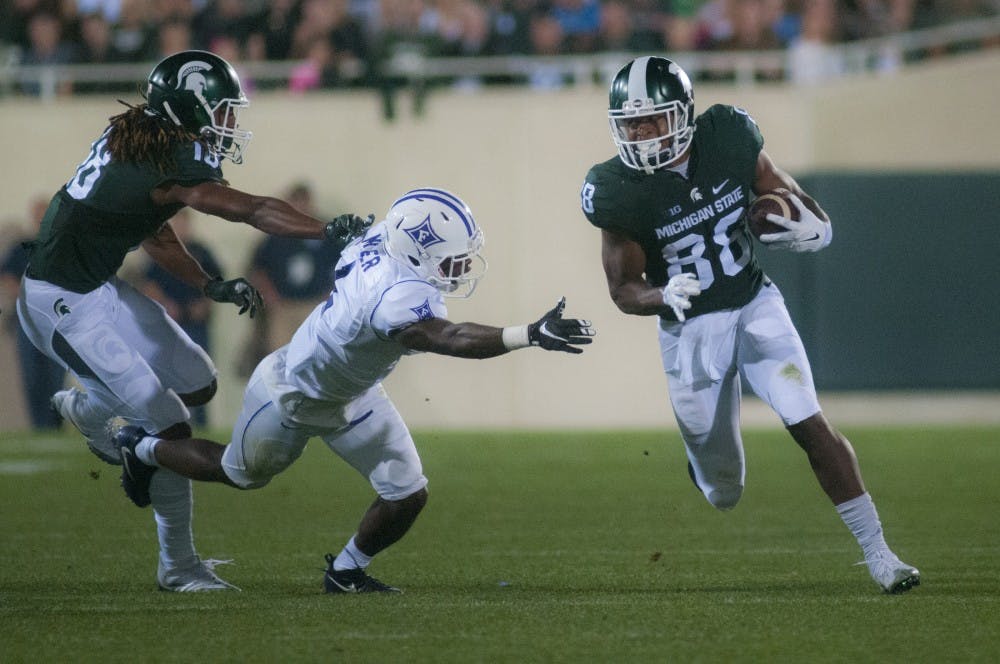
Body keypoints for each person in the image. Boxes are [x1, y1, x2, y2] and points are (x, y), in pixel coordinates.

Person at [111, 187, 596, 593]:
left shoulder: (381, 237)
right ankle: (145, 448)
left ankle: (345, 572)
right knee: (239, 474)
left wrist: (333, 225)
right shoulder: (394, 297)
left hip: (354, 392)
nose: (460, 268)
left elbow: (354, 234)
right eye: (450, 260)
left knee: (407, 492)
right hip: (294, 394)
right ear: (415, 253)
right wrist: (526, 334)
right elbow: (448, 337)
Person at [16, 50, 370, 593]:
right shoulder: (164, 158)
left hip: (96, 287)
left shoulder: (145, 139)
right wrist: (325, 231)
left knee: (199, 382)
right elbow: (246, 208)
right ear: (189, 107)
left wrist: (206, 283)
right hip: (58, 302)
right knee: (171, 426)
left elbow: (152, 228)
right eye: (223, 110)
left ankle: (87, 407)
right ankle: (177, 567)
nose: (230, 123)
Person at [580, 56, 919, 594]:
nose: (642, 134)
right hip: (689, 330)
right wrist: (661, 294)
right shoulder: (617, 189)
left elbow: (785, 192)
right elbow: (623, 289)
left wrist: (816, 227)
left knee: (807, 419)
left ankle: (880, 554)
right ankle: (703, 466)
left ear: (685, 115)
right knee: (724, 487)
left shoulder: (729, 136)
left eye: (653, 120)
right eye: (631, 124)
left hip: (754, 303)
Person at [136, 208, 223, 426]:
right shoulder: (160, 250)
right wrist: (165, 306)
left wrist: (204, 304)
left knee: (201, 374)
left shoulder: (202, 252)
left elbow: (217, 281)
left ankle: (201, 423)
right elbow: (148, 284)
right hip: (168, 325)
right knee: (167, 375)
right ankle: (171, 421)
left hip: (196, 325)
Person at [0, 196, 65, 430]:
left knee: (56, 378)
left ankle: (55, 424)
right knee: (32, 377)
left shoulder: (61, 245)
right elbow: (7, 278)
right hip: (27, 322)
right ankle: (40, 426)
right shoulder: (21, 247)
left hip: (56, 324)